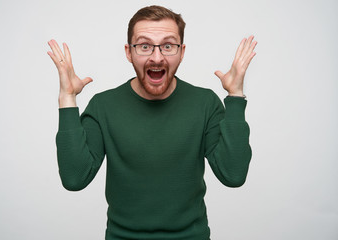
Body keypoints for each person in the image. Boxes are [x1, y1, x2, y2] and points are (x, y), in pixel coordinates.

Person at [47, 5, 257, 240]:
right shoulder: (103, 105)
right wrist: (67, 98)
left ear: (182, 51)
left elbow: (234, 175)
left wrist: (236, 95)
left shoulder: (205, 103)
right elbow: (75, 179)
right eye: (144, 46)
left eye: (168, 46)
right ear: (129, 52)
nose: (157, 57)